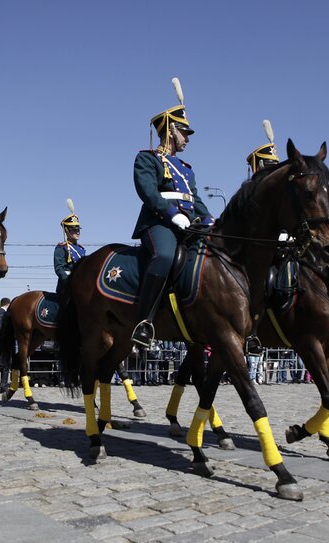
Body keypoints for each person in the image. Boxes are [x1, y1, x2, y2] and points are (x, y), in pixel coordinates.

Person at [131, 78, 214, 347]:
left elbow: (194, 198)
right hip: (159, 223)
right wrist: (171, 214)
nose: (187, 139)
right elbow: (148, 193)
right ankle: (144, 322)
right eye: (184, 133)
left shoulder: (186, 168)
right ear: (170, 131)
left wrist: (210, 219)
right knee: (165, 255)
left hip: (188, 223)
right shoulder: (147, 158)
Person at [53, 199, 86, 294]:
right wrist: (70, 281)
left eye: (78, 229)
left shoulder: (81, 249)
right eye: (74, 229)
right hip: (67, 286)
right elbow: (59, 269)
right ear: (67, 231)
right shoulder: (61, 248)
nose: (77, 232)